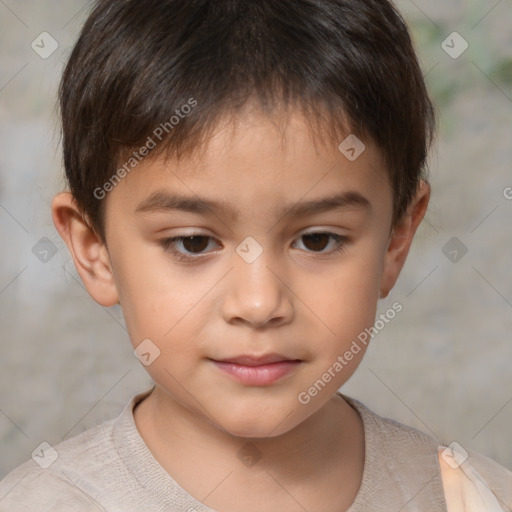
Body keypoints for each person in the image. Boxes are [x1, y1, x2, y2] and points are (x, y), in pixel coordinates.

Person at [0, 0, 510, 510]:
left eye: (317, 240)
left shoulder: (473, 497)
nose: (260, 303)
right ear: (96, 252)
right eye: (194, 242)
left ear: (396, 240)